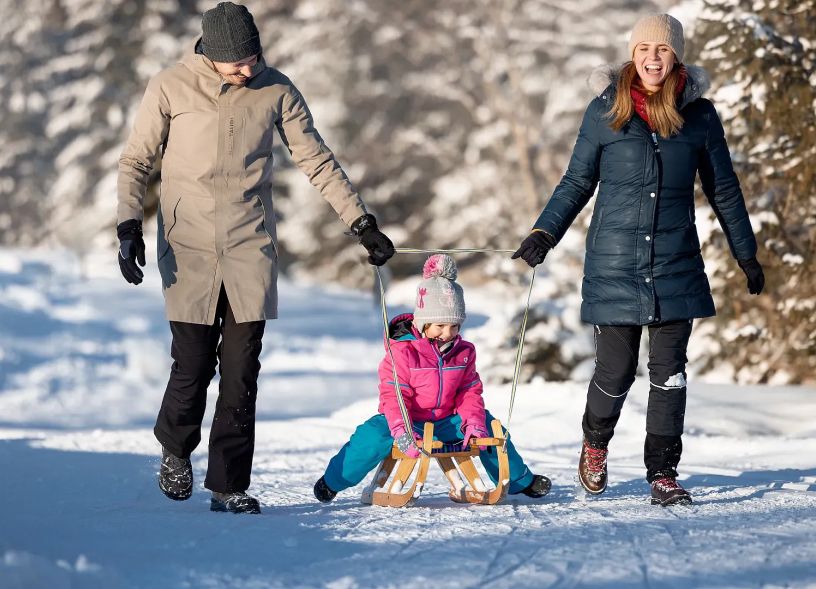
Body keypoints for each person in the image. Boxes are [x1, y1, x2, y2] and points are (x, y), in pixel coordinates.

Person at [116, 2, 394, 514]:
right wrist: (129, 224)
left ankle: (228, 484)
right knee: (193, 364)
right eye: (238, 62)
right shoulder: (171, 86)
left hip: (249, 246)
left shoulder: (276, 88)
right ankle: (175, 448)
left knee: (242, 370)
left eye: (254, 56)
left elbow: (316, 158)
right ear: (212, 55)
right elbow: (136, 161)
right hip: (189, 245)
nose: (249, 68)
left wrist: (362, 222)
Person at [512, 14, 764, 506]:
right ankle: (595, 444)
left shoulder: (700, 115)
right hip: (614, 264)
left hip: (676, 264)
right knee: (615, 373)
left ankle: (663, 472)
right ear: (633, 54)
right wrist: (545, 232)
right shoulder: (605, 111)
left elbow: (724, 189)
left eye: (663, 50)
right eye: (644, 48)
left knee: (670, 372)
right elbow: (577, 182)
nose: (653, 57)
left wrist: (746, 253)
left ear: (677, 57)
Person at [313, 254, 551, 503]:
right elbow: (394, 396)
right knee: (370, 436)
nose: (447, 334)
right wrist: (402, 430)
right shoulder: (402, 353)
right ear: (423, 322)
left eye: (454, 326)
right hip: (408, 420)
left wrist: (472, 422)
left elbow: (469, 392)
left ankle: (519, 480)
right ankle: (333, 481)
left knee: (492, 429)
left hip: (448, 420)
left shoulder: (464, 352)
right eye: (439, 326)